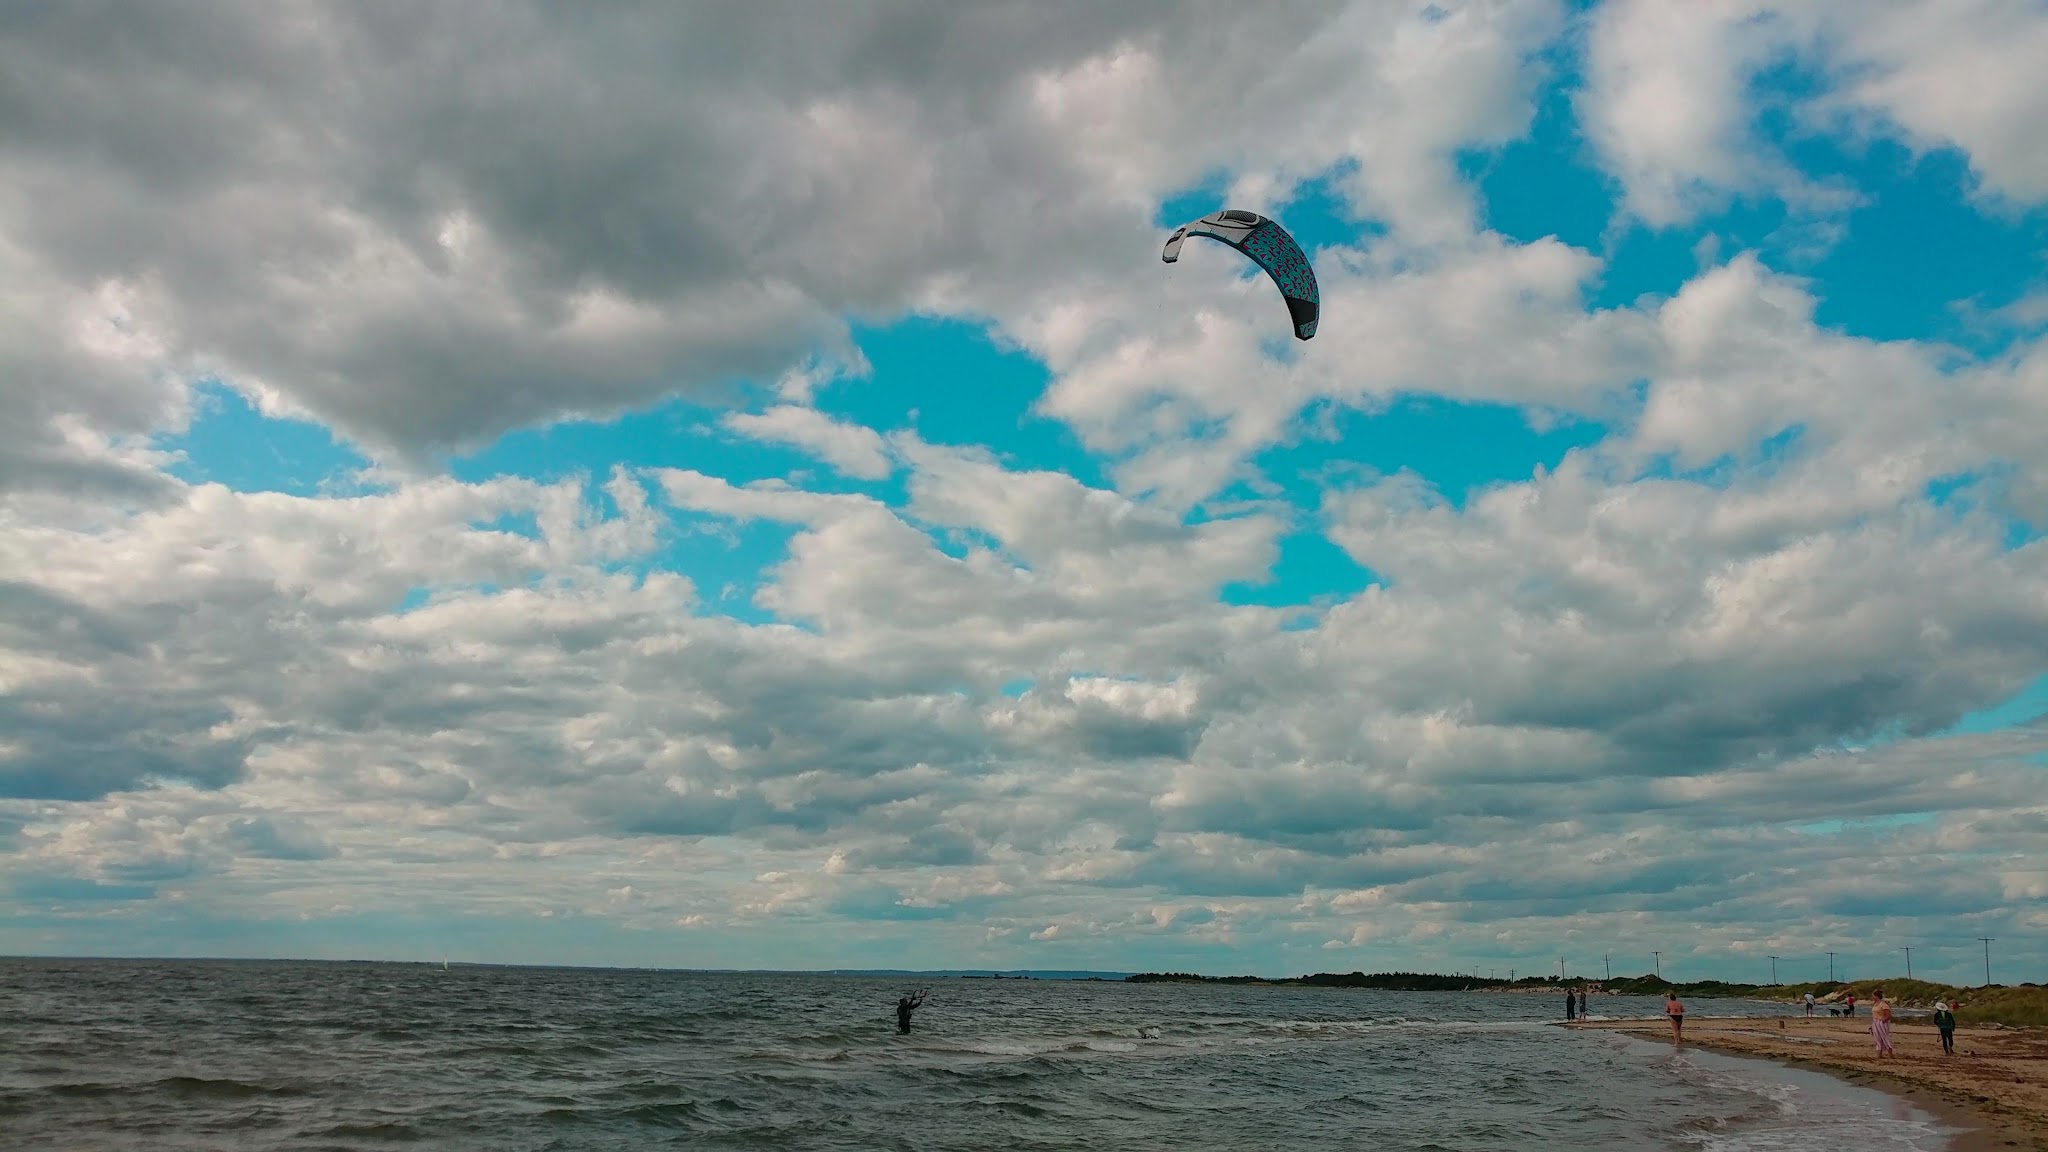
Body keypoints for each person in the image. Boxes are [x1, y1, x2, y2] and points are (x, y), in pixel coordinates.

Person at [1869, 989, 1893, 1058]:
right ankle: (1879, 1054)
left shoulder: (1883, 1004)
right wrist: (1872, 1025)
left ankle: (1890, 1054)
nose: (1872, 997)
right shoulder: (1875, 1004)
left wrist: (1882, 1021)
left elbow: (1888, 1015)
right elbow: (1874, 1014)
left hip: (1881, 1022)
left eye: (1873, 996)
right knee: (1877, 1038)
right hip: (1875, 1021)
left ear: (1876, 996)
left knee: (1884, 1037)